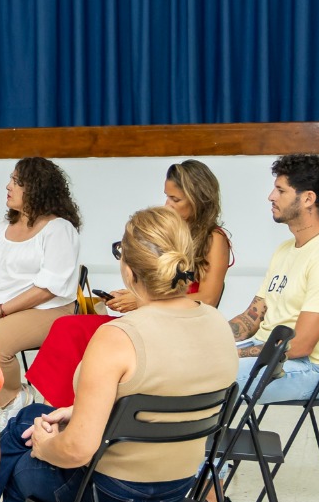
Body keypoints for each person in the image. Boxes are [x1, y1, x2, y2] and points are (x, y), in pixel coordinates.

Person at [0, 206, 238, 502]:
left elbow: (76, 451)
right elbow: (164, 395)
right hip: (180, 489)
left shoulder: (118, 336)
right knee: (35, 416)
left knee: (20, 451)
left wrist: (47, 442)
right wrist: (77, 414)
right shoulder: (217, 324)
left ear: (128, 270)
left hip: (116, 496)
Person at [26, 159, 233, 409]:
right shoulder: (170, 231)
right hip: (151, 319)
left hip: (179, 327)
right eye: (167, 197)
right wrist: (135, 296)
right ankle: (55, 410)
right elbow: (158, 285)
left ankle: (62, 414)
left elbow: (208, 299)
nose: (167, 205)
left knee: (83, 333)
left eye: (176, 200)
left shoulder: (214, 239)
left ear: (200, 199)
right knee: (68, 329)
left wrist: (141, 301)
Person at [226, 154, 319, 402]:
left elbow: (300, 345)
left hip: (310, 368)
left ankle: (195, 440)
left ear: (308, 199)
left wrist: (227, 356)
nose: (271, 196)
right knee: (182, 364)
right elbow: (252, 317)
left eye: (281, 190)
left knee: (207, 376)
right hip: (269, 352)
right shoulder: (285, 249)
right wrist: (207, 338)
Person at [0, 157, 82, 409]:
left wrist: (1, 310)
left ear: (36, 189)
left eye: (16, 181)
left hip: (47, 310)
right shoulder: (1, 227)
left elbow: (47, 289)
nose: (8, 186)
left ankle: (12, 398)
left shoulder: (59, 229)